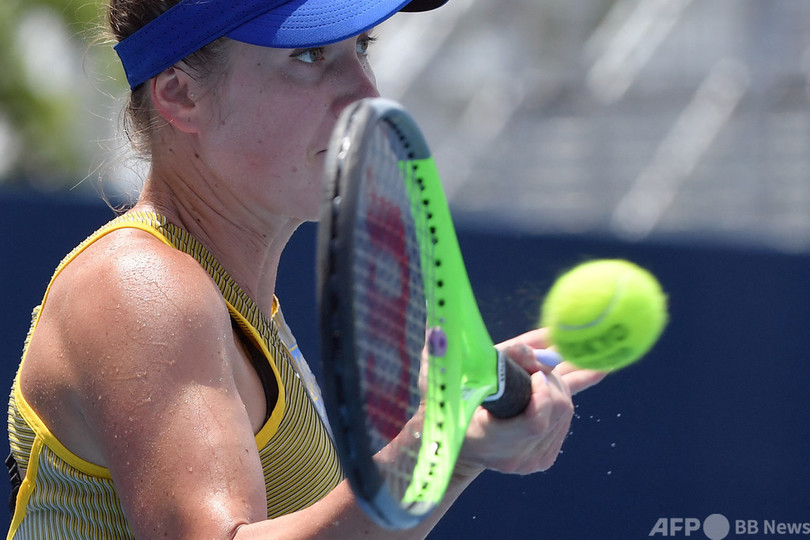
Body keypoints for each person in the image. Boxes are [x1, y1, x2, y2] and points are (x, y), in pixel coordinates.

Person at [6, 0, 607, 538]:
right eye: (309, 55)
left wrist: (453, 447)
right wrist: (434, 447)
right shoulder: (142, 286)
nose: (366, 96)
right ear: (181, 95)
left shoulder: (234, 303)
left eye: (362, 47)